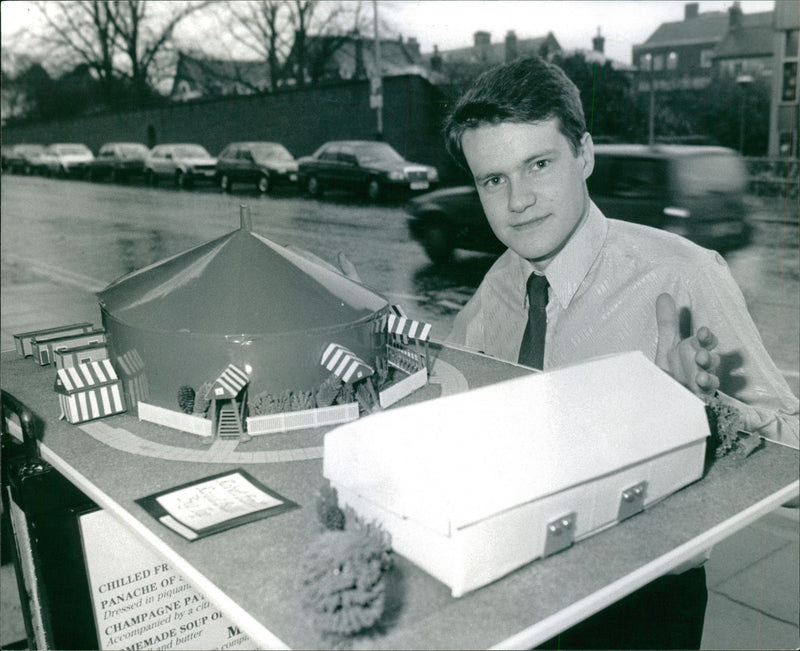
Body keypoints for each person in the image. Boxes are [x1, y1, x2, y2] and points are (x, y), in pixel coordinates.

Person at [441, 55, 799, 649]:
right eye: (493, 180)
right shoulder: (497, 288)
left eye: (538, 164)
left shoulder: (683, 277)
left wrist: (707, 416)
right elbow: (449, 401)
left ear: (584, 154)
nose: (519, 200)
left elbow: (792, 447)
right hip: (517, 591)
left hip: (641, 609)